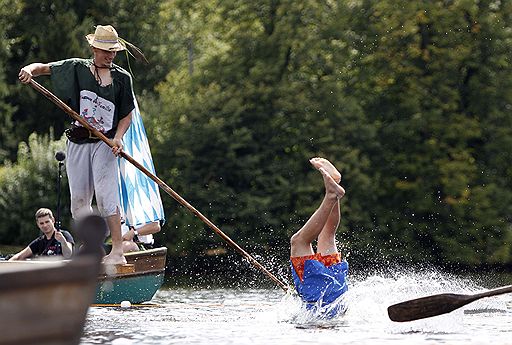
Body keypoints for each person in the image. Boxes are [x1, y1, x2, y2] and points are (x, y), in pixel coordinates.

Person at [18, 25, 139, 264]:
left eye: (113, 51)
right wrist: (28, 70)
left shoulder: (122, 79)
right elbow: (43, 68)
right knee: (80, 201)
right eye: (105, 51)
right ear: (94, 48)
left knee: (106, 196)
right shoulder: (77, 67)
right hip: (79, 140)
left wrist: (119, 137)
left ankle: (117, 250)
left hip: (105, 143)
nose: (110, 55)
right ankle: (90, 248)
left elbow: (127, 114)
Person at [290, 158, 348, 316]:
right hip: (322, 297)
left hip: (336, 293)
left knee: (310, 239)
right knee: (322, 235)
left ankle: (332, 194)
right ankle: (333, 188)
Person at [9, 208, 74, 261]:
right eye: (41, 223)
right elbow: (20, 256)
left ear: (53, 220)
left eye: (47, 222)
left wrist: (63, 242)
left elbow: (68, 255)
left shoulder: (64, 235)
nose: (45, 225)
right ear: (38, 224)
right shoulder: (39, 241)